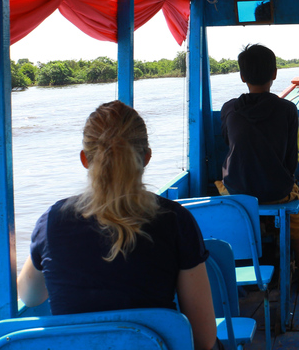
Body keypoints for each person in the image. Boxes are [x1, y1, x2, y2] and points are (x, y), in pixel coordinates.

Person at [17, 100, 222, 350]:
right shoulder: (175, 220)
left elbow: (30, 296)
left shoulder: (52, 221)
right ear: (146, 157)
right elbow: (204, 339)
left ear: (84, 159)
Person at [217, 43, 299, 293]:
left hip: (236, 192)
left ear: (242, 77)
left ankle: (237, 275)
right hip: (276, 191)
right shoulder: (287, 109)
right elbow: (291, 157)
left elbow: (228, 143)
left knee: (224, 189)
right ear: (274, 73)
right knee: (298, 219)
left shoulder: (229, 109)